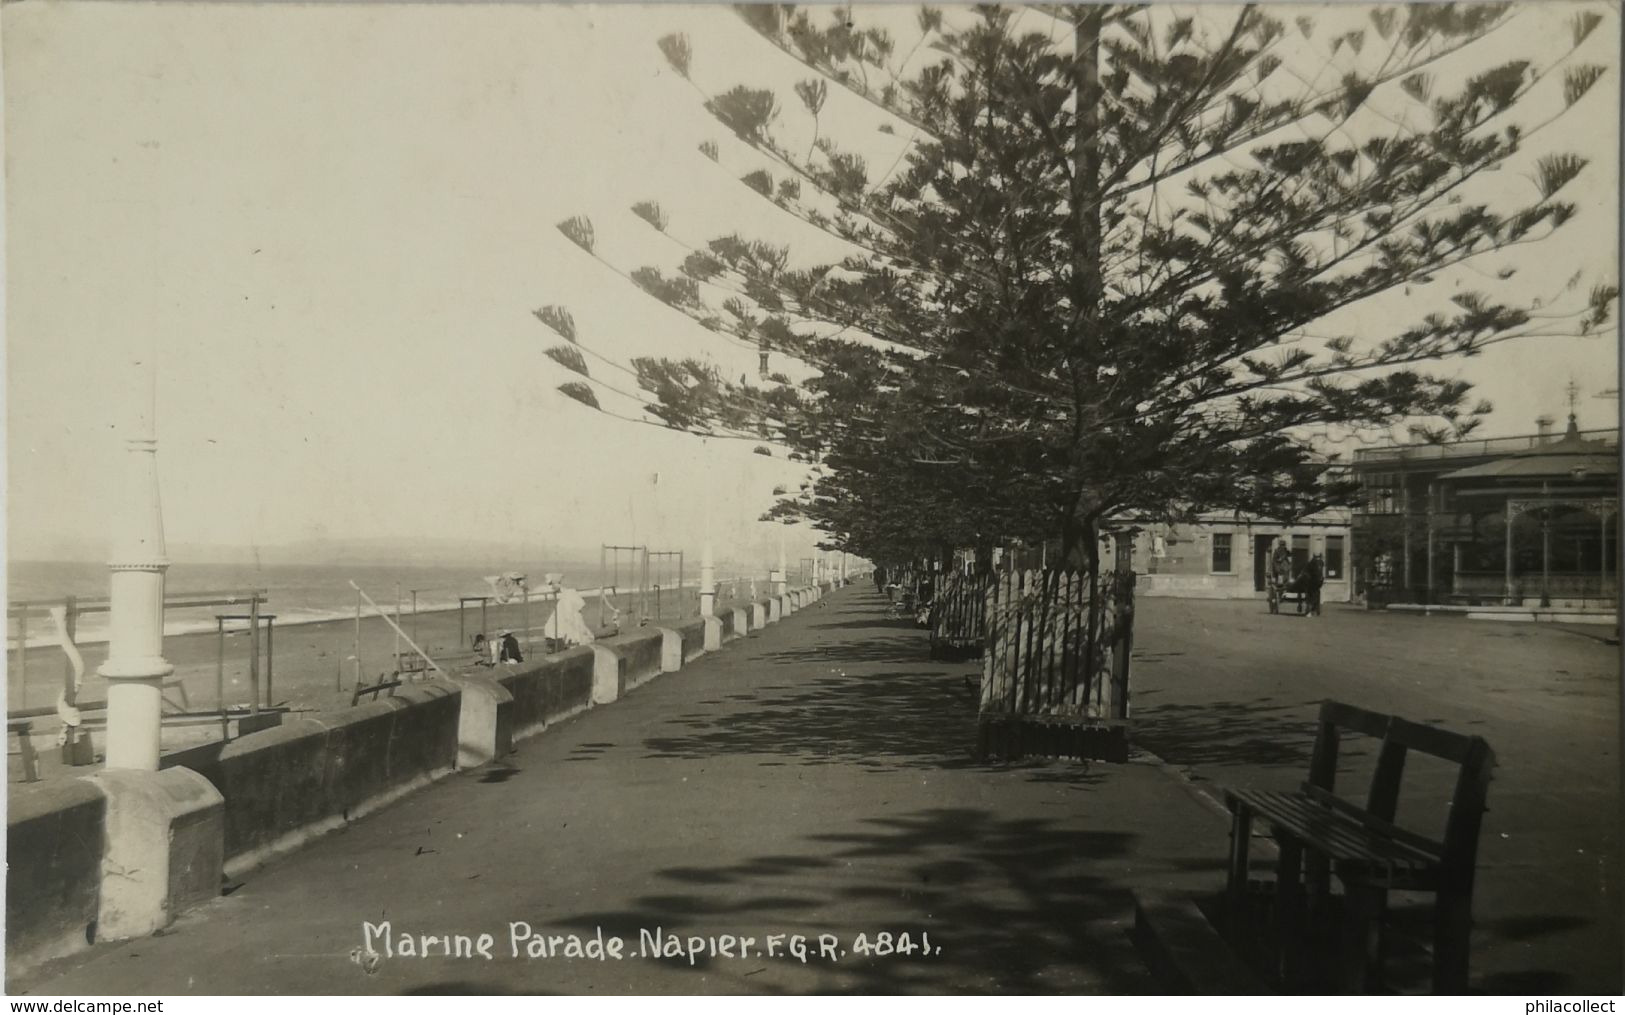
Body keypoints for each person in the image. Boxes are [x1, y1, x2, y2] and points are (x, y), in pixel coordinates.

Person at [1305, 553, 1326, 617]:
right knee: (1316, 594)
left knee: (1311, 596)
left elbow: (1307, 572)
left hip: (1312, 582)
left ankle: (1311, 610)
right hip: (1316, 582)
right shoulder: (1320, 562)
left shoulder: (1312, 563)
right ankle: (1315, 610)